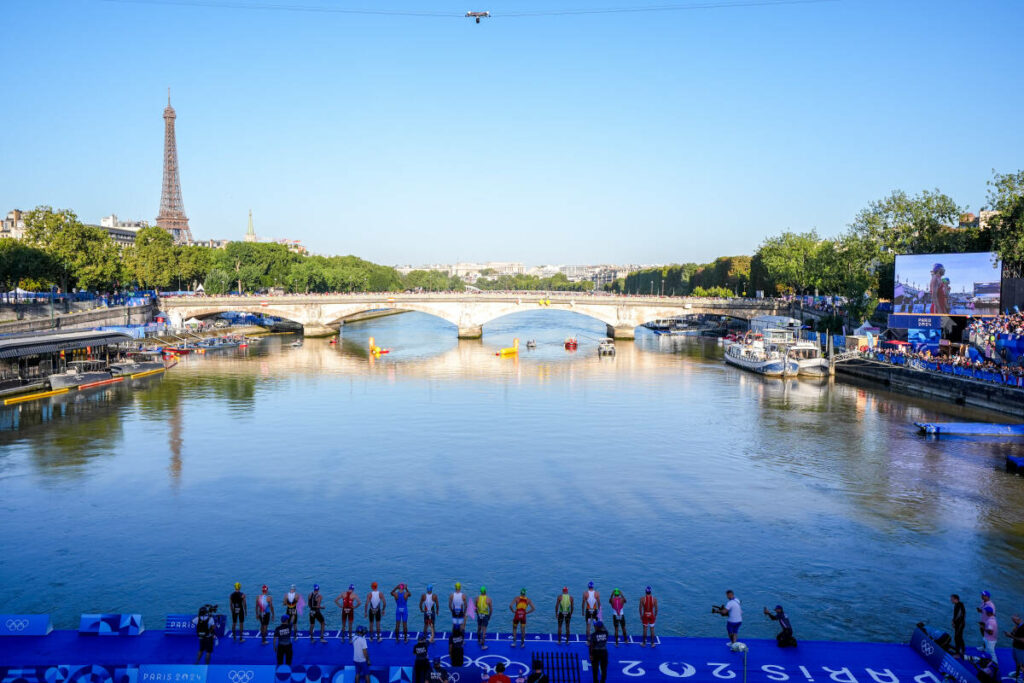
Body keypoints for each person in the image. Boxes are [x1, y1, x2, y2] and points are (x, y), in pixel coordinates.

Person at [1004, 614, 1024, 680]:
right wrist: (1011, 633)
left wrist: (1011, 636)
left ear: (1018, 619)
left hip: (1021, 649)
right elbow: (1014, 635)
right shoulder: (1017, 626)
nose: (1013, 622)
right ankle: (1017, 674)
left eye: (1014, 620)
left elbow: (1022, 640)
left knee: (1022, 665)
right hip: (1016, 647)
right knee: (1017, 662)